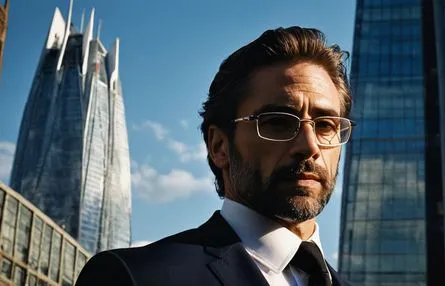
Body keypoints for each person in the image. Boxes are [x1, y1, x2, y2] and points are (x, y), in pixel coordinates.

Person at [76, 26, 354, 286]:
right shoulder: (132, 277)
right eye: (278, 122)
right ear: (219, 145)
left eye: (326, 125)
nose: (309, 146)